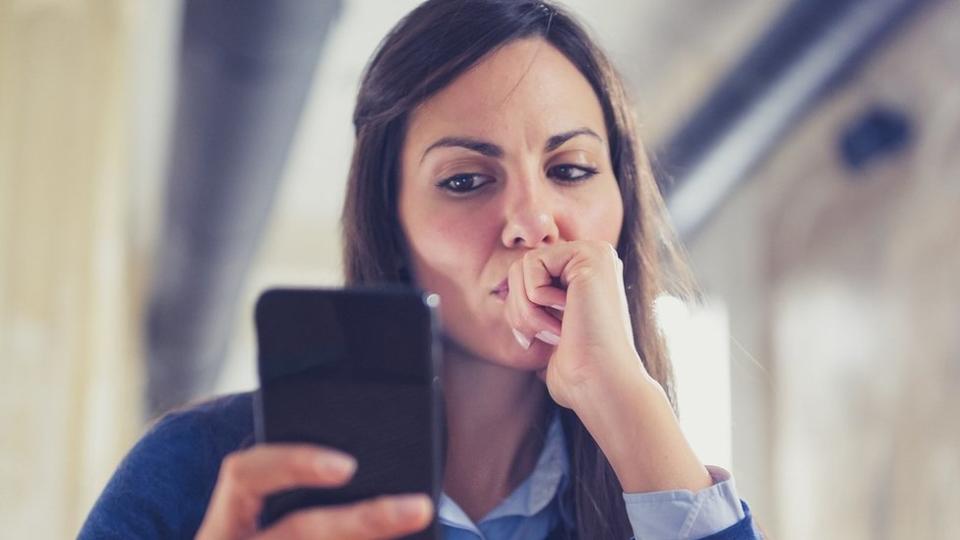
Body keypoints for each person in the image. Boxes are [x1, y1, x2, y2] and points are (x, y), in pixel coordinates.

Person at [80, 1, 762, 538]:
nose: (532, 220)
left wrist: (629, 403)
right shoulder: (192, 467)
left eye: (572, 170)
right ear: (391, 220)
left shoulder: (662, 483)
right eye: (466, 180)